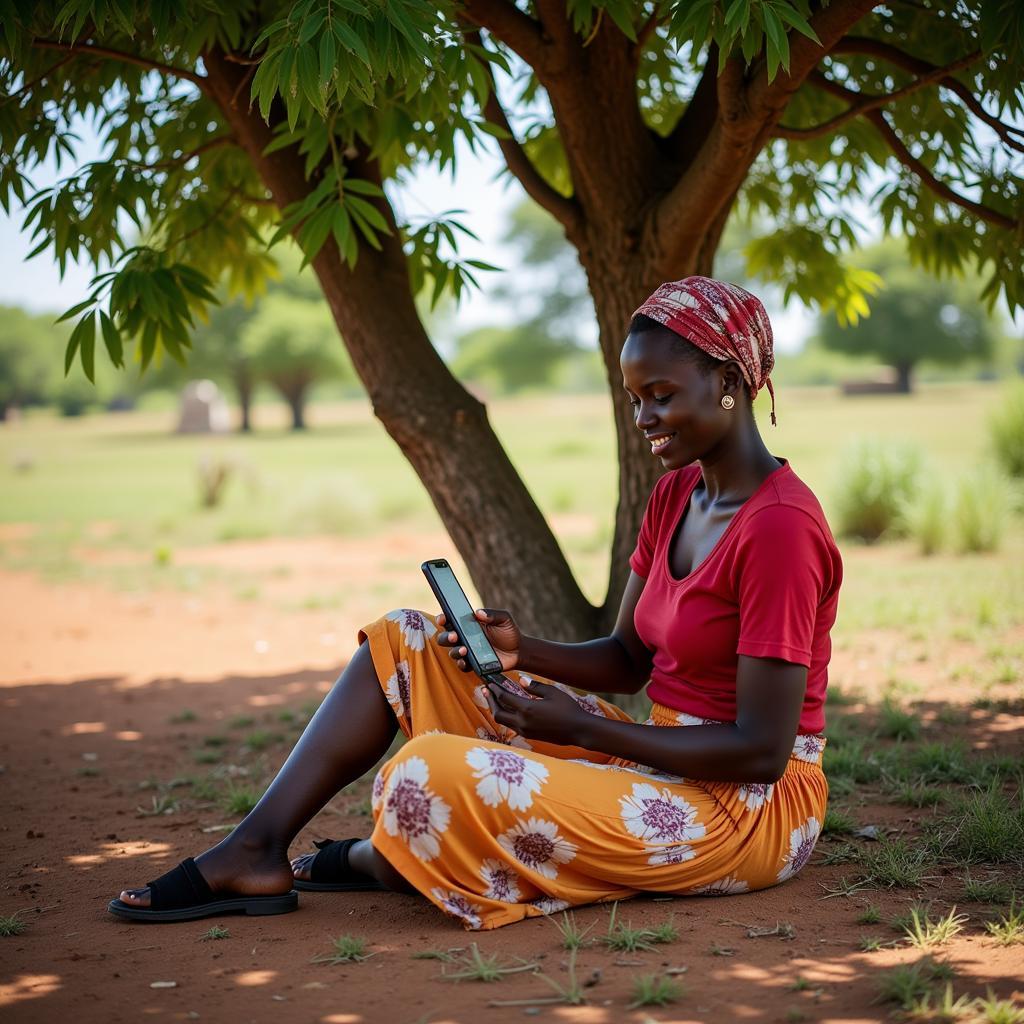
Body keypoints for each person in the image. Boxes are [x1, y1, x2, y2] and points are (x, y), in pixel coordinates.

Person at [109, 276, 842, 929]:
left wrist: (586, 736)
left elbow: (761, 752)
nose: (643, 419)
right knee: (405, 638)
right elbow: (625, 661)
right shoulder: (678, 493)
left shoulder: (779, 528)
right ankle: (256, 850)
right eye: (633, 399)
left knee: (426, 776)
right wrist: (525, 651)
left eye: (661, 397)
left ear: (728, 381)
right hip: (660, 773)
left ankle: (383, 860)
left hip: (745, 814)